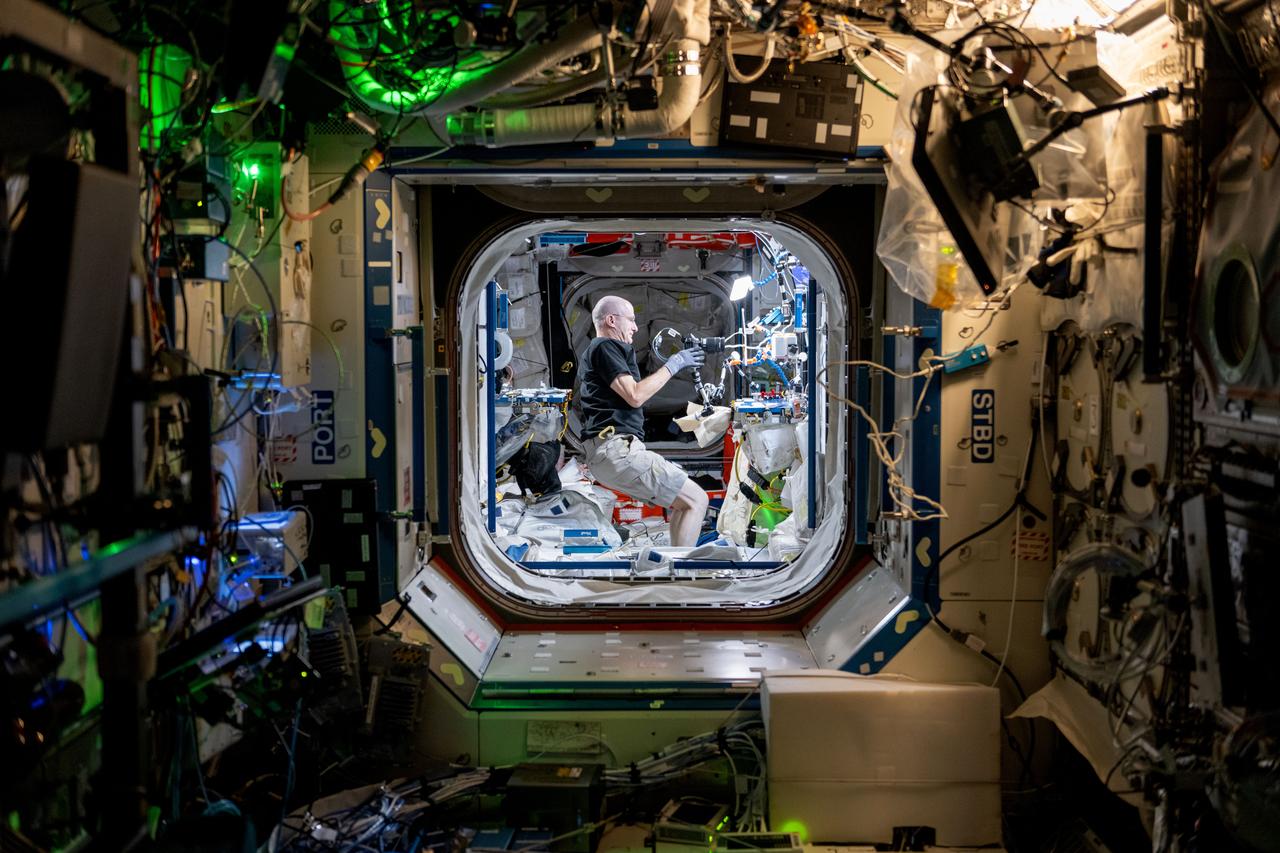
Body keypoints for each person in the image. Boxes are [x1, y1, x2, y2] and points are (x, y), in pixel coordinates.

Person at [578, 295, 710, 547]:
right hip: (616, 450)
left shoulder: (602, 351)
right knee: (698, 500)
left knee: (683, 504)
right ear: (611, 320)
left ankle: (674, 569)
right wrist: (675, 364)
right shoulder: (604, 346)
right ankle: (681, 576)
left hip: (610, 452)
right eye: (631, 320)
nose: (636, 327)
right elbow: (635, 395)